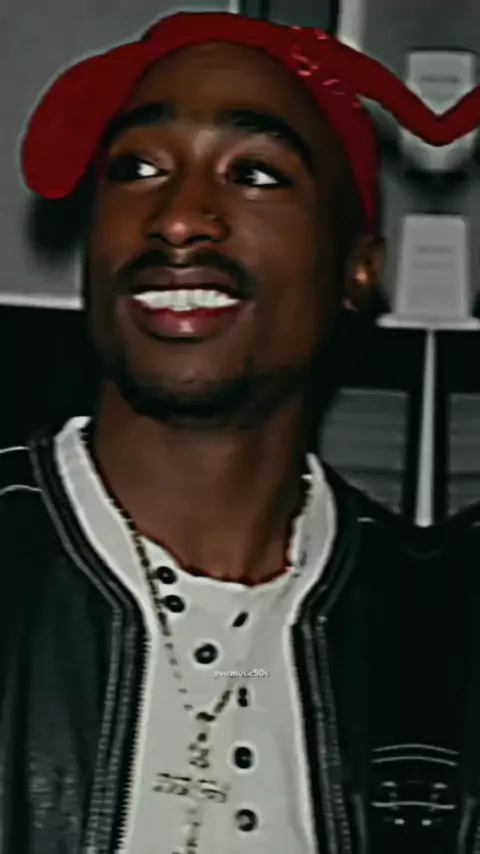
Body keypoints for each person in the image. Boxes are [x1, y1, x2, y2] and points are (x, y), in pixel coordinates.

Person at [2, 11, 480, 854]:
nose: (179, 219)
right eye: (136, 169)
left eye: (256, 174)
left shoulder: (431, 629)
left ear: (358, 268)